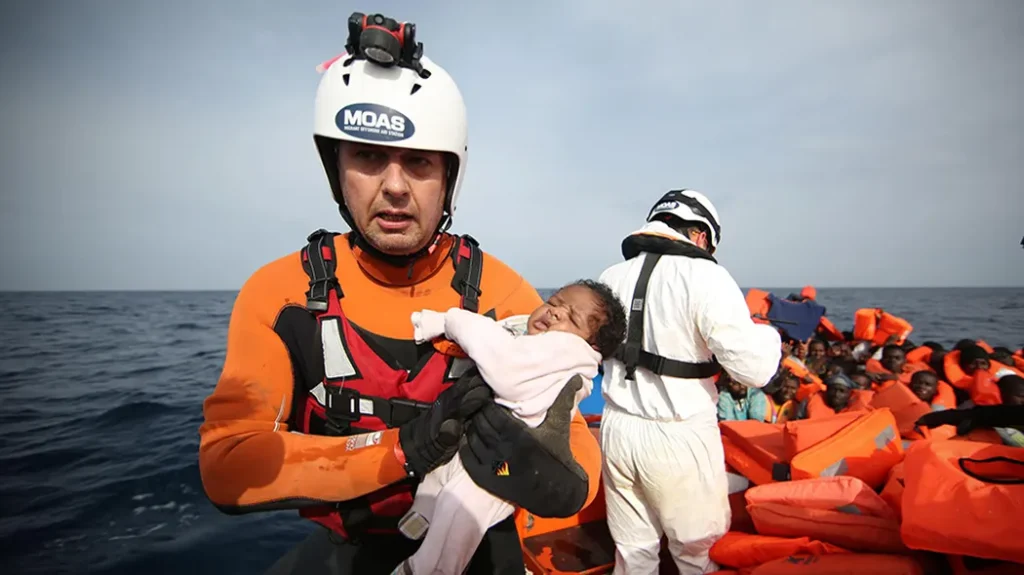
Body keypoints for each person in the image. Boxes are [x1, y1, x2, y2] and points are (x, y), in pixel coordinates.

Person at [197, 13, 602, 574]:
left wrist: (547, 476)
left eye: (418, 162)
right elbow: (229, 462)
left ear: (448, 177)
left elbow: (575, 442)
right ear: (336, 167)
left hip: (479, 548)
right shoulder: (280, 294)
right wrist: (404, 449)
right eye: (366, 156)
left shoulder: (501, 292)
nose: (393, 185)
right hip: (355, 550)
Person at [597, 189, 781, 574]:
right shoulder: (707, 275)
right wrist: (770, 336)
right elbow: (753, 370)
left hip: (617, 431)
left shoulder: (610, 276)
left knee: (633, 554)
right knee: (699, 554)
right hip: (679, 436)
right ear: (700, 235)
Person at [392, 280, 627, 575]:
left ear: (590, 345)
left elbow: (508, 371)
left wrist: (449, 321)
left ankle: (423, 569)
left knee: (462, 510)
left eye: (571, 317)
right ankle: (420, 522)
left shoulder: (566, 351)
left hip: (503, 467)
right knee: (443, 475)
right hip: (485, 448)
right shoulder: (539, 344)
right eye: (554, 302)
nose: (555, 313)